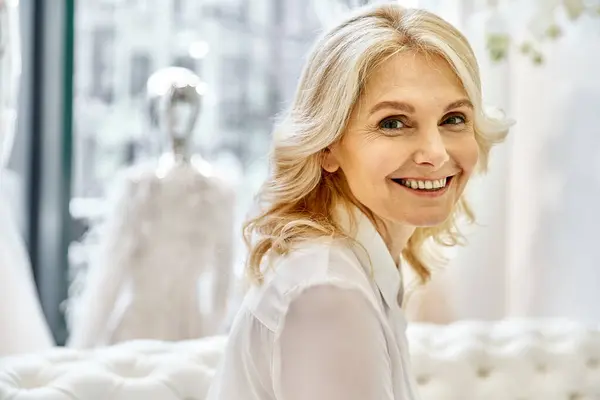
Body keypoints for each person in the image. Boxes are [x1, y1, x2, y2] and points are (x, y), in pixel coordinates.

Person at [207, 3, 510, 399]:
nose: (435, 153)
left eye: (453, 118)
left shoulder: (353, 265)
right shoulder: (329, 293)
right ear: (327, 147)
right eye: (394, 123)